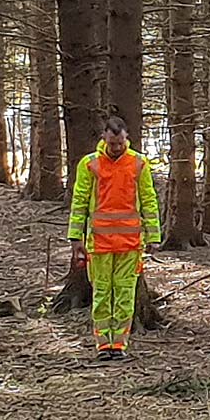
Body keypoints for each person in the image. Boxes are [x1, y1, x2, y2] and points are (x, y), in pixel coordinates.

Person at [67, 116, 161, 359]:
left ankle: (119, 344)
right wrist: (75, 238)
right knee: (101, 294)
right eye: (112, 143)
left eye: (120, 143)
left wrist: (154, 235)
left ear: (126, 138)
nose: (116, 148)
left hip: (130, 244)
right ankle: (102, 344)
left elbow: (149, 200)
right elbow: (79, 202)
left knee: (125, 294)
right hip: (99, 243)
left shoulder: (139, 163)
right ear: (104, 139)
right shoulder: (90, 164)